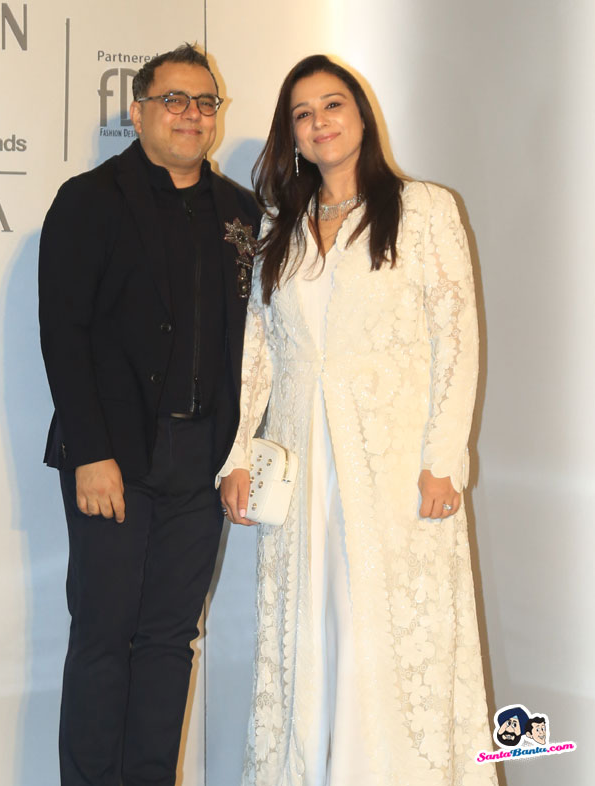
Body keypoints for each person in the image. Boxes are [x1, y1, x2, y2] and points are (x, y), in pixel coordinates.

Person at [220, 54, 496, 785]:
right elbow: (259, 348)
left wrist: (444, 459)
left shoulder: (425, 209)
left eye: (332, 105)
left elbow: (457, 338)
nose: (320, 122)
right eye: (303, 114)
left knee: (387, 629)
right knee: (310, 626)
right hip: (302, 468)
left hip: (394, 467)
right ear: (292, 135)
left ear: (362, 116)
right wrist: (238, 454)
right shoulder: (280, 226)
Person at [39, 43, 260, 785]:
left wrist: (239, 453)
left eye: (205, 102)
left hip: (202, 461)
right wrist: (90, 452)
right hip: (115, 457)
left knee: (170, 640)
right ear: (138, 112)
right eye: (174, 100)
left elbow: (254, 345)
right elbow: (63, 333)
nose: (191, 114)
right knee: (103, 637)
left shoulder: (241, 212)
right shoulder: (89, 200)